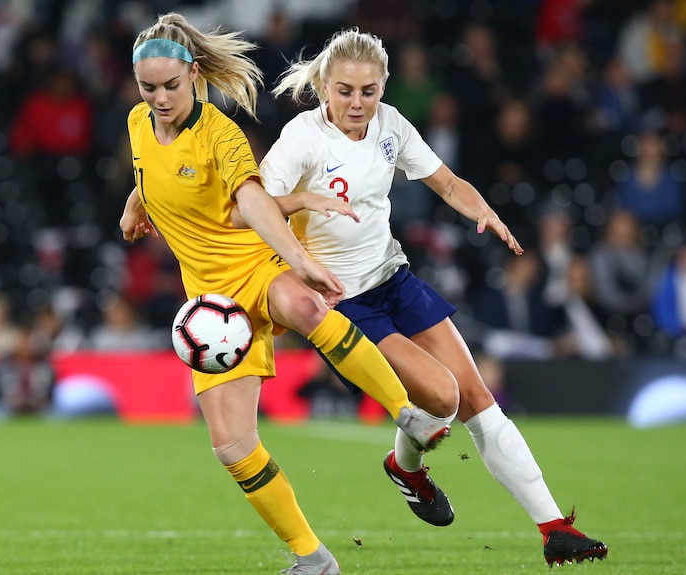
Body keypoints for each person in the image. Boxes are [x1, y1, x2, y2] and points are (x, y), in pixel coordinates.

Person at [252, 28, 608, 567]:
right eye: (345, 91)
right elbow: (255, 204)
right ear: (324, 85)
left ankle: (554, 527)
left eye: (368, 91)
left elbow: (445, 182)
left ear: (383, 87)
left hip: (394, 278)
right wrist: (303, 198)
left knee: (477, 397)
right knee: (442, 401)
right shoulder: (303, 137)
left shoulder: (391, 125)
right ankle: (407, 469)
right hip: (341, 301)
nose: (357, 103)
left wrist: (481, 208)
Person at [117, 14, 451, 575]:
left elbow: (250, 202)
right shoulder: (138, 123)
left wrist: (299, 259)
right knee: (231, 447)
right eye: (148, 88)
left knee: (303, 305)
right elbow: (151, 168)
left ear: (194, 75)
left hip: (253, 262)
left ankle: (407, 412)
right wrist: (135, 204)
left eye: (170, 86)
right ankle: (312, 558)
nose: (159, 97)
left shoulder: (221, 134)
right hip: (209, 301)